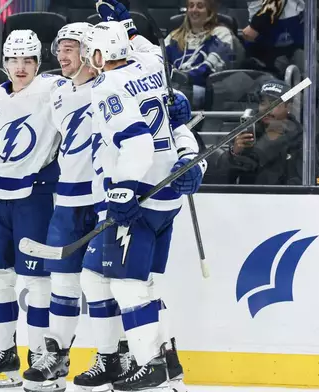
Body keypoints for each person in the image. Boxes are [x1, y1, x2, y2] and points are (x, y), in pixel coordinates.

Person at [83, 15, 206, 391]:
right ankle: (169, 368)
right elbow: (149, 51)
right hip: (166, 194)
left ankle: (151, 364)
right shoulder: (151, 66)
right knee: (134, 283)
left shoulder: (107, 86)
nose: (89, 56)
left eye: (92, 49)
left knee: (129, 286)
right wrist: (126, 25)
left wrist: (123, 188)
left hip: (142, 194)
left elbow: (136, 143)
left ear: (103, 53)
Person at [0, 29, 64, 389]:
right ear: (4, 62)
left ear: (39, 62)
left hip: (36, 196)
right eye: (13, 60)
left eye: (28, 60)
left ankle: (41, 359)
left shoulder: (54, 91)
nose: (20, 67)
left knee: (38, 281)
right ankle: (5, 356)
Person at [17, 22, 102, 392]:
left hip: (103, 200)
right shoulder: (57, 93)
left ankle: (112, 355)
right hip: (66, 201)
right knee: (63, 283)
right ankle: (57, 355)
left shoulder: (110, 87)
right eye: (60, 49)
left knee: (107, 285)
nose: (60, 56)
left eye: (69, 49)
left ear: (88, 51)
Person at [209, 79, 305, 185]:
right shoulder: (247, 132)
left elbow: (311, 182)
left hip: (284, 200)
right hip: (246, 199)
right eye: (263, 103)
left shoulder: (302, 140)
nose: (267, 109)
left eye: (274, 104)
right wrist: (234, 154)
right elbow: (221, 179)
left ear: (288, 107)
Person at [164, 0, 235, 108]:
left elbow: (210, 68)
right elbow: (159, 61)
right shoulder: (174, 36)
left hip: (203, 88)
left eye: (200, 6)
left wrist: (182, 79)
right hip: (174, 87)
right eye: (191, 6)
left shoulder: (221, 33)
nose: (194, 10)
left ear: (210, 11)